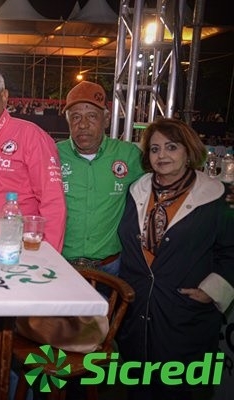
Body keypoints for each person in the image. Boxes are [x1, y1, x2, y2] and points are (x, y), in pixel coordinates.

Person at [117, 118, 234, 399]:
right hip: (138, 313)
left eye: (171, 147)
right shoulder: (136, 191)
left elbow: (230, 250)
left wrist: (213, 290)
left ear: (188, 151)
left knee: (180, 390)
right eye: (155, 149)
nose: (162, 155)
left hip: (185, 317)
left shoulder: (214, 197)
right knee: (137, 388)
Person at [0, 66, 66, 252]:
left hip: (14, 253)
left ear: (4, 96)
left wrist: (48, 257)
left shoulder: (30, 136)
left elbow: (53, 202)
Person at [58, 81, 144, 275]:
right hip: (61, 265)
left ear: (106, 120)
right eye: (76, 117)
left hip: (110, 267)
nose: (83, 125)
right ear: (68, 121)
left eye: (92, 116)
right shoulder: (52, 154)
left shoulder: (129, 155)